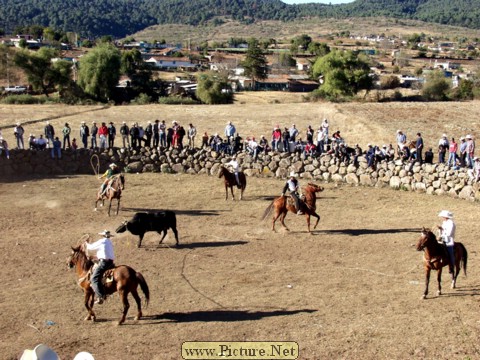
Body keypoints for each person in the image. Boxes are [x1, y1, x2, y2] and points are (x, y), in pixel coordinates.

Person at [84, 230, 116, 304]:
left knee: (93, 278)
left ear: (102, 236)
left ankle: (101, 296)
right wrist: (94, 257)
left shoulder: (102, 241)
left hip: (104, 263)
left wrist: (86, 243)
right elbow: (105, 253)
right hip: (111, 263)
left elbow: (90, 247)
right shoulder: (109, 243)